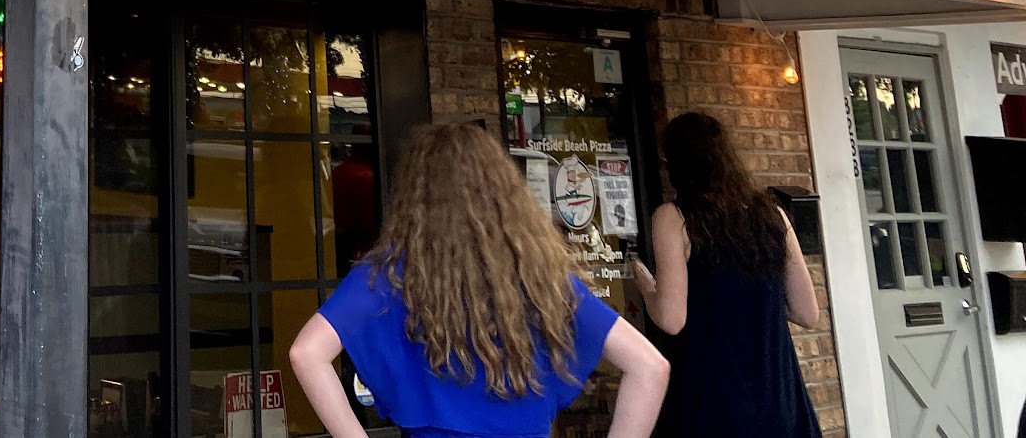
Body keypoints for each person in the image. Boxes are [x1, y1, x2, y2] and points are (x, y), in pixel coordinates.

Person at [290, 121, 668, 438]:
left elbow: (306, 352)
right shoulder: (539, 278)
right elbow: (650, 367)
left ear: (414, 196)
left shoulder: (390, 275)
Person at [634, 112, 820, 438]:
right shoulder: (773, 214)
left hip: (714, 404)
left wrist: (646, 286)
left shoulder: (674, 218)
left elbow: (671, 319)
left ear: (676, 162)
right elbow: (807, 313)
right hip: (781, 402)